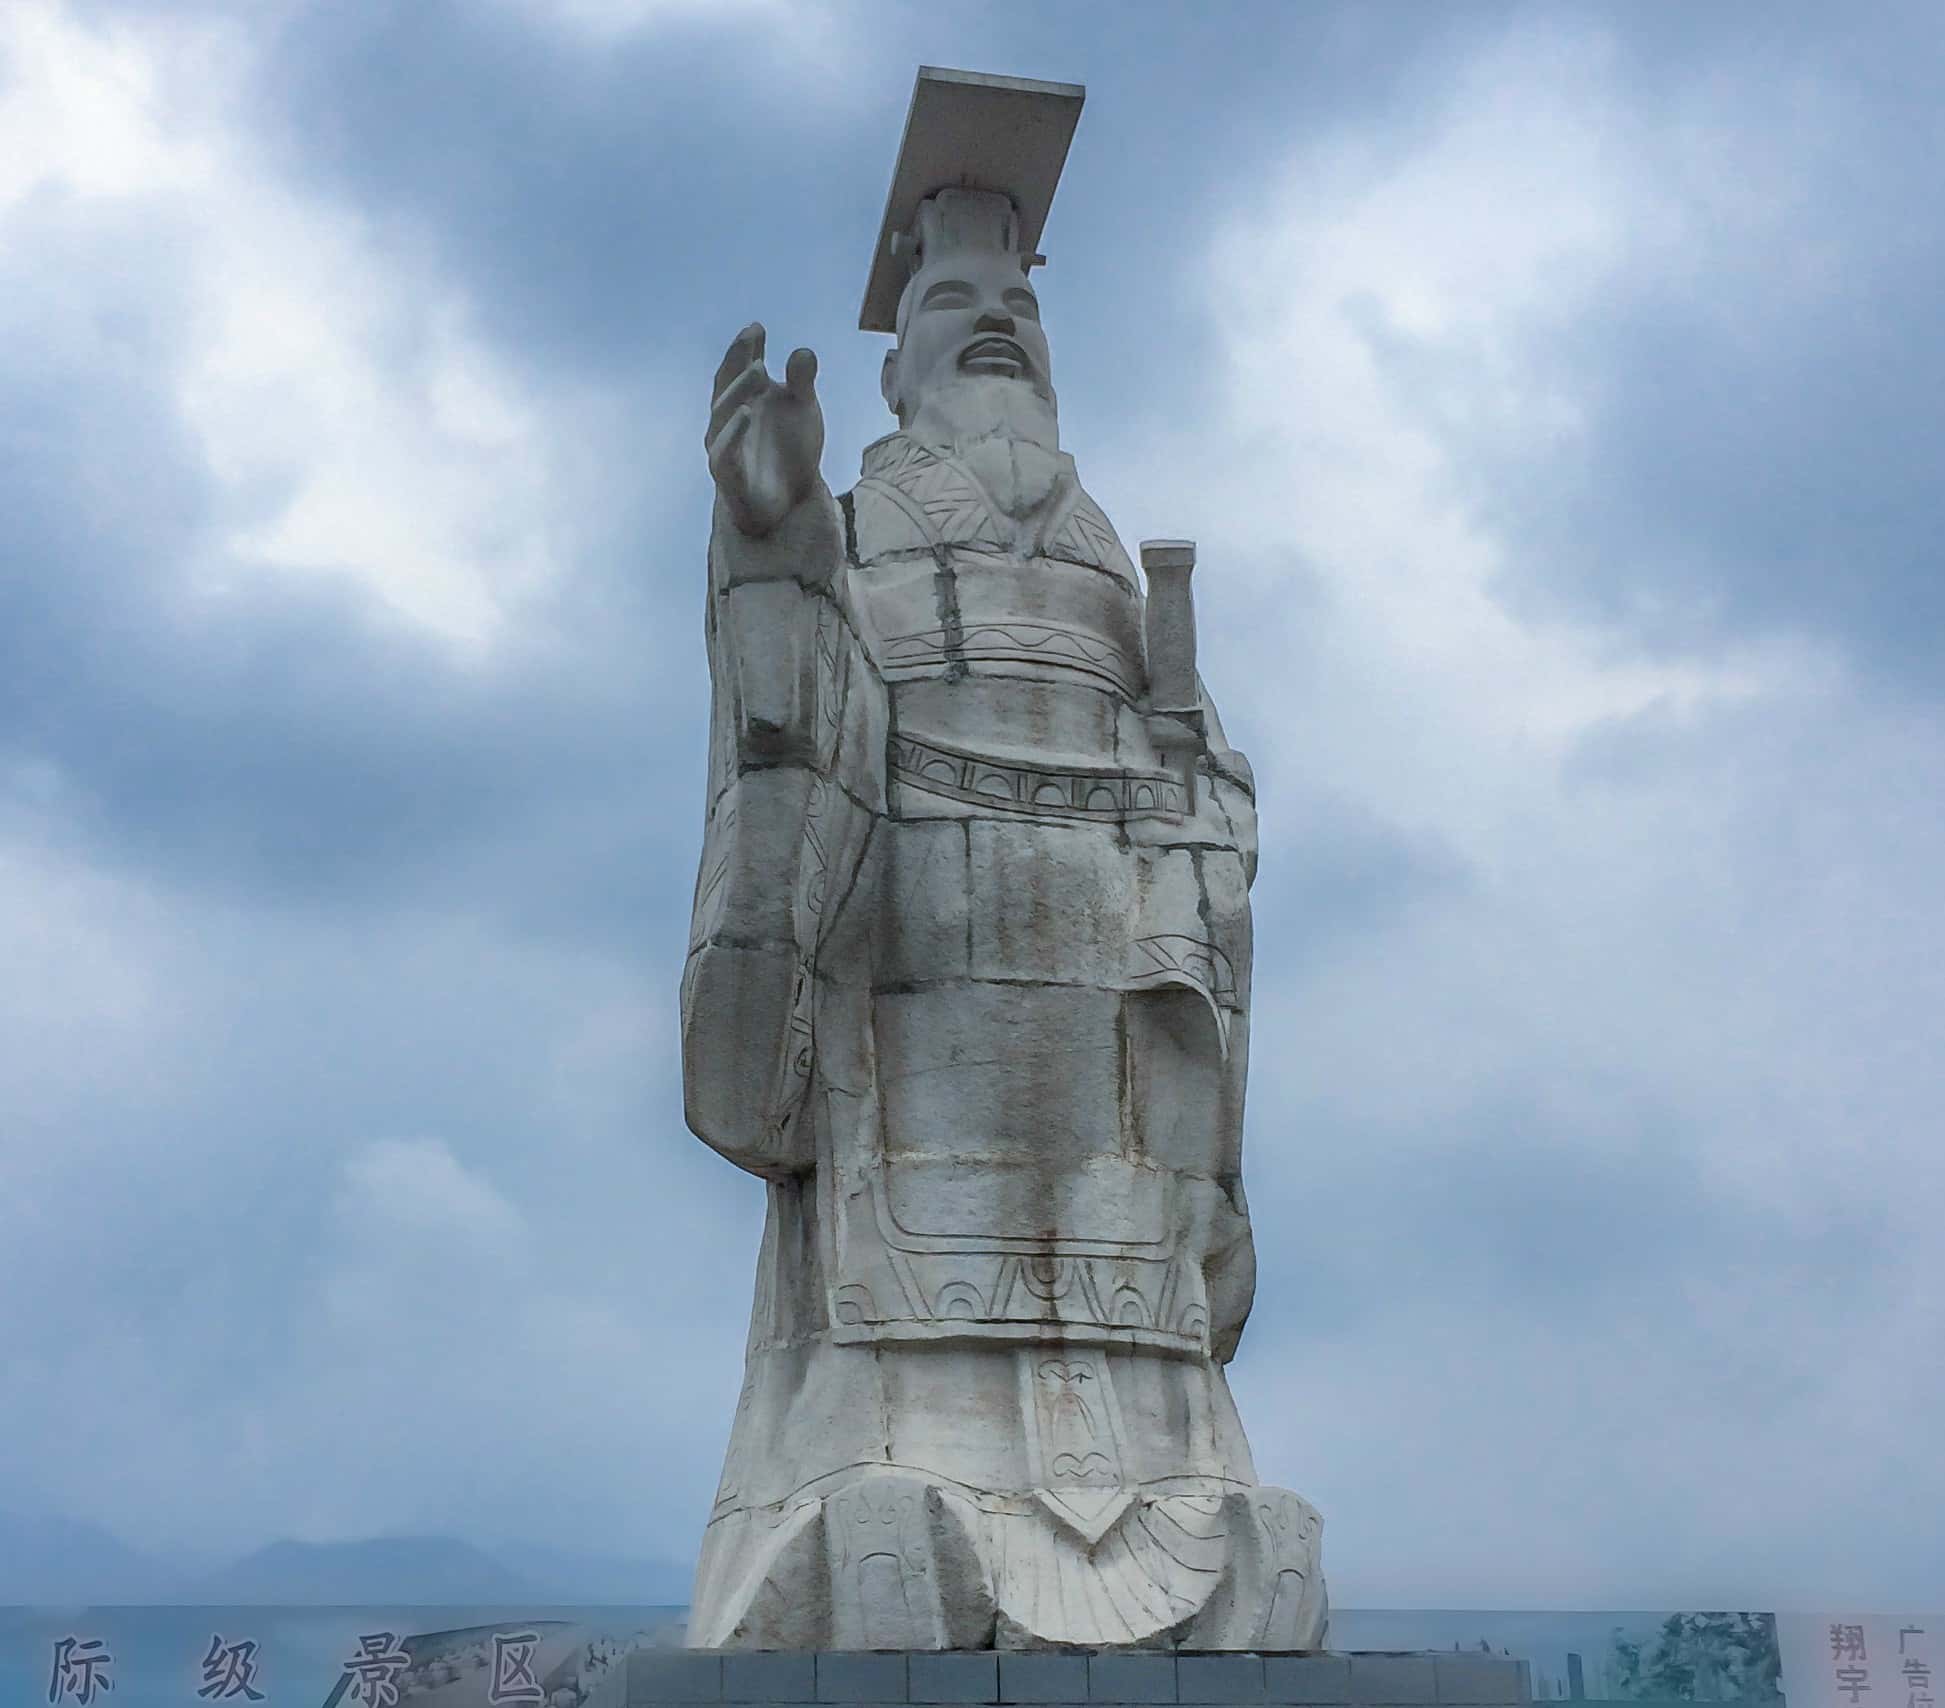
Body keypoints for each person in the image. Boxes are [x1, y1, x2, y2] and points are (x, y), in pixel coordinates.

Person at [680, 178, 1324, 1650]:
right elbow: (802, 723)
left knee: (1131, 1223)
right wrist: (773, 547)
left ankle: (1169, 1483)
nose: (997, 326)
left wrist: (1193, 806)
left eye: (1019, 307)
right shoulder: (860, 522)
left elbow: (1207, 780)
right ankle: (873, 1482)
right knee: (897, 1248)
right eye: (953, 305)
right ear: (893, 370)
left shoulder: (1104, 555)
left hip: (1112, 953)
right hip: (911, 935)